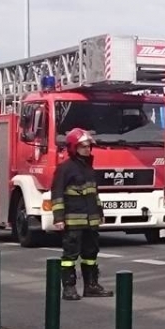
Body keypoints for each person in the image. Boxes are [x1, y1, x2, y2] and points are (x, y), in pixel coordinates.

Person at [51, 128, 106, 300]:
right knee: (70, 255)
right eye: (83, 146)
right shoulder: (65, 168)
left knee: (91, 254)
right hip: (73, 220)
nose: (87, 149)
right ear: (74, 147)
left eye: (89, 146)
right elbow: (57, 193)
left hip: (91, 220)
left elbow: (93, 193)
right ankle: (69, 288)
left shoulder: (89, 168)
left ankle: (91, 286)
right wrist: (59, 218)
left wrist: (100, 213)